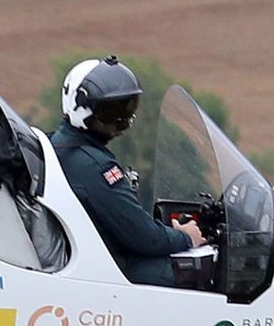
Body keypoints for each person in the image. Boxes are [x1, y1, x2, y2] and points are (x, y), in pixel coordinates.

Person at [50, 56, 205, 286]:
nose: (120, 123)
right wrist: (186, 237)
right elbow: (144, 238)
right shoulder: (95, 166)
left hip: (97, 262)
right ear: (79, 105)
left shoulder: (59, 145)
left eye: (127, 110)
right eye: (110, 113)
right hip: (115, 272)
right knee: (202, 274)